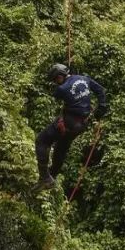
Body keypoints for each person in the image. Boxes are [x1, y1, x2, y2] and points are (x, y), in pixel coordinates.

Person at [33, 63, 108, 192]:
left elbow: (57, 95)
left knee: (42, 140)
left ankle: (45, 177)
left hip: (68, 123)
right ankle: (51, 177)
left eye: (56, 79)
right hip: (81, 125)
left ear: (61, 75)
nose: (56, 82)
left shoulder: (61, 89)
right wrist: (101, 107)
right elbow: (101, 90)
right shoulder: (85, 79)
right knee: (60, 149)